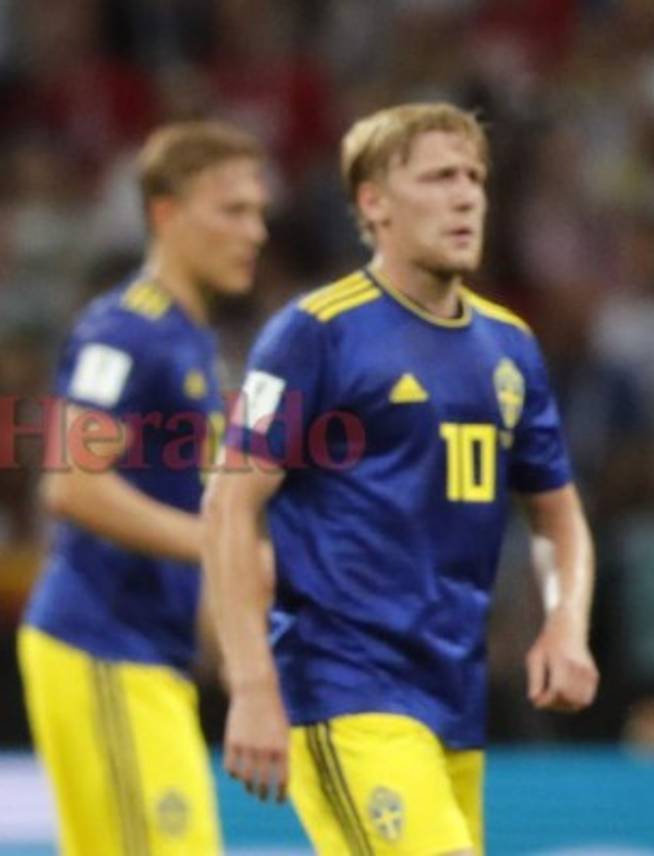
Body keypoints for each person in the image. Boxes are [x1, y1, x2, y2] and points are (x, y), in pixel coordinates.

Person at [203, 102, 599, 854]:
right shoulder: (313, 333)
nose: (466, 196)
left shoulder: (510, 346)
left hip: (454, 698)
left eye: (474, 178)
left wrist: (565, 622)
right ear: (374, 203)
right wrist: (251, 684)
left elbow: (558, 515)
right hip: (345, 688)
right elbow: (229, 506)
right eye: (440, 178)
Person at [18, 120, 269, 855]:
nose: (254, 232)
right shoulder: (125, 330)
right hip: (101, 642)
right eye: (232, 210)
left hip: (150, 655)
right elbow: (71, 483)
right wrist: (223, 547)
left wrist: (243, 663)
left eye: (258, 213)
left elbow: (178, 506)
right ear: (167, 213)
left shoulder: (192, 342)